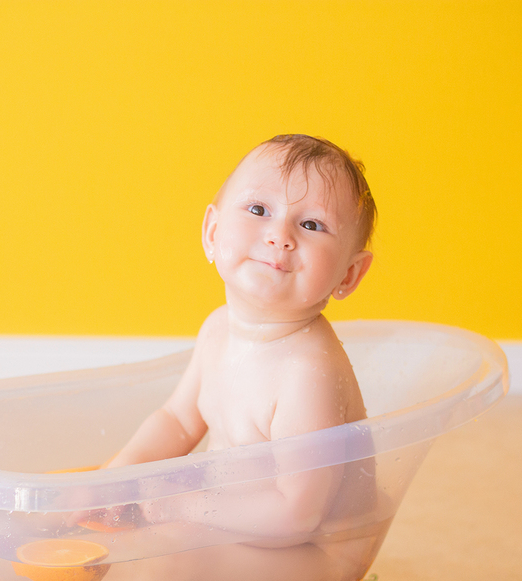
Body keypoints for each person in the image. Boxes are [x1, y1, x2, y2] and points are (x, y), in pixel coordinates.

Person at [97, 133, 377, 539]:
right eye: (259, 209)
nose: (280, 235)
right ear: (212, 232)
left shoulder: (307, 371)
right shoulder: (217, 329)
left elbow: (298, 516)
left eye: (312, 224)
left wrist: (179, 506)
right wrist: (118, 477)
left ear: (349, 275)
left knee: (160, 563)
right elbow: (177, 421)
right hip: (235, 524)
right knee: (103, 514)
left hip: (311, 556)